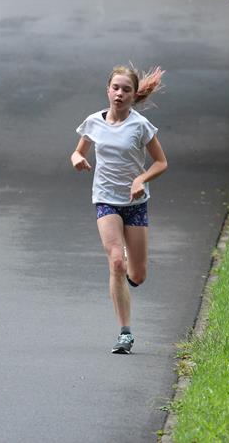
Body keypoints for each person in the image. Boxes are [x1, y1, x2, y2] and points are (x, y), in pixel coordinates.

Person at [70, 65, 168, 354]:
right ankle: (125, 333)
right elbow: (78, 150)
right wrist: (76, 158)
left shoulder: (140, 126)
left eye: (126, 89)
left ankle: (128, 271)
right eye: (115, 88)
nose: (120, 93)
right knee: (115, 262)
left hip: (135, 204)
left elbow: (161, 163)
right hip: (105, 199)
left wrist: (141, 179)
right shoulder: (93, 122)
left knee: (137, 275)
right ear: (108, 90)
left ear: (133, 94)